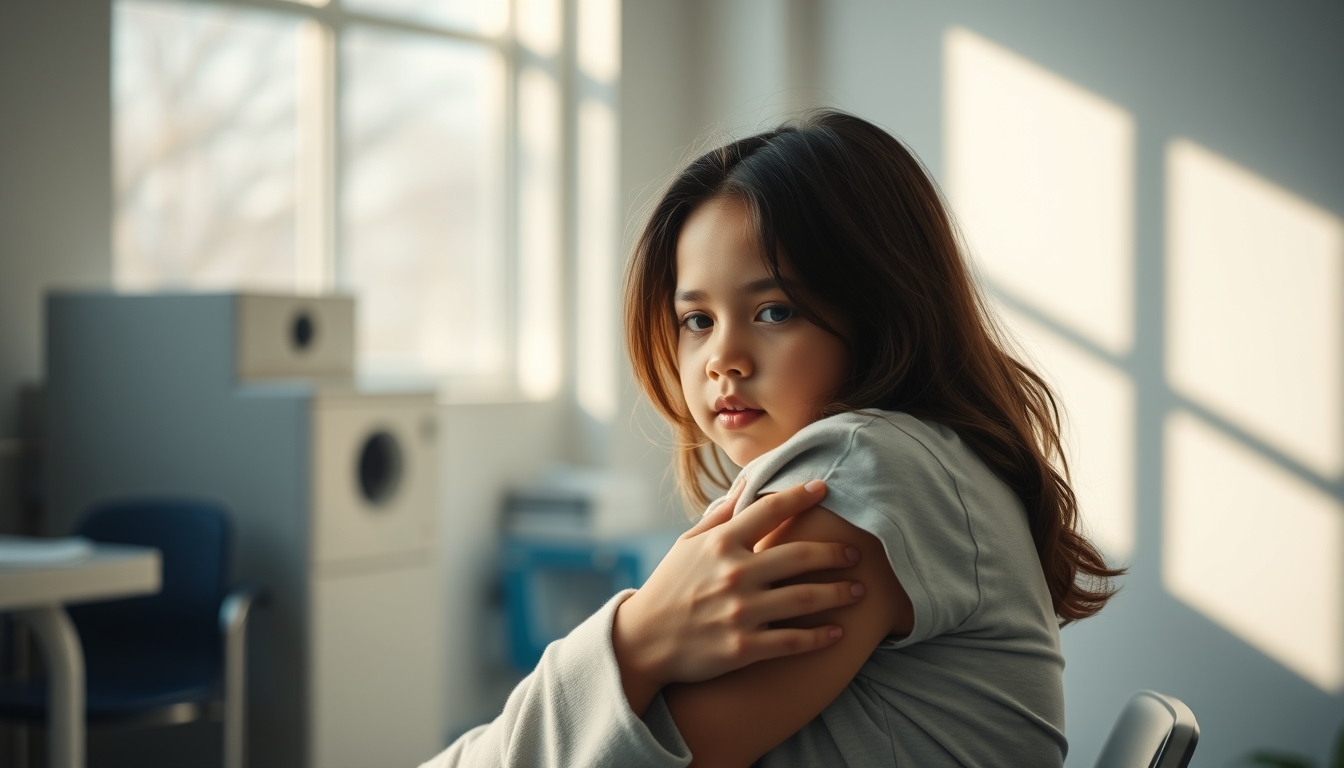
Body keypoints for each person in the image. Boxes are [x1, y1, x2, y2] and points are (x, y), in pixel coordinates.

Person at [420, 110, 1121, 767]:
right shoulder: (928, 464)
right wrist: (636, 639)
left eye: (774, 310)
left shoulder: (865, 468)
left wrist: (633, 639)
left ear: (882, 309)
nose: (723, 357)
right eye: (696, 320)